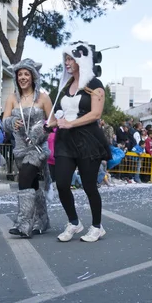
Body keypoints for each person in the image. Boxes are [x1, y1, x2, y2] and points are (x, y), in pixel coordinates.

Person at [53, 43, 111, 242]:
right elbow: (59, 114)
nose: (67, 63)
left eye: (71, 59)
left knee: (89, 186)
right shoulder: (65, 85)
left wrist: (71, 124)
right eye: (66, 59)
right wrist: (50, 124)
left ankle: (97, 226)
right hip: (65, 141)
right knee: (61, 182)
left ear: (81, 60)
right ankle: (74, 223)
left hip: (88, 140)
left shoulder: (94, 84)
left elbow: (96, 114)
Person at [2, 59, 52, 238]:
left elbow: (52, 122)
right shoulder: (12, 98)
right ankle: (42, 219)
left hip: (37, 149)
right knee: (31, 184)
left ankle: (24, 224)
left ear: (33, 77)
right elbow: (4, 122)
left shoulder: (43, 97)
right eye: (20, 74)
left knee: (23, 180)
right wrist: (11, 122)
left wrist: (40, 130)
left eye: (26, 74)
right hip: (19, 150)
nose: (23, 77)